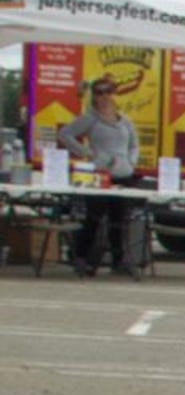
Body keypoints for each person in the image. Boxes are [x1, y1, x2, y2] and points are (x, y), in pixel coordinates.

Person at [57, 75, 142, 277]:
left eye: (108, 91)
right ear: (94, 96)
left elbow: (135, 144)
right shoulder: (90, 118)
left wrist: (131, 161)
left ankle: (119, 260)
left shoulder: (124, 120)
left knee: (119, 220)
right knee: (94, 217)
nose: (104, 96)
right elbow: (65, 134)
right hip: (100, 175)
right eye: (99, 92)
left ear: (114, 94)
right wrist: (88, 153)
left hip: (123, 174)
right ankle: (81, 257)